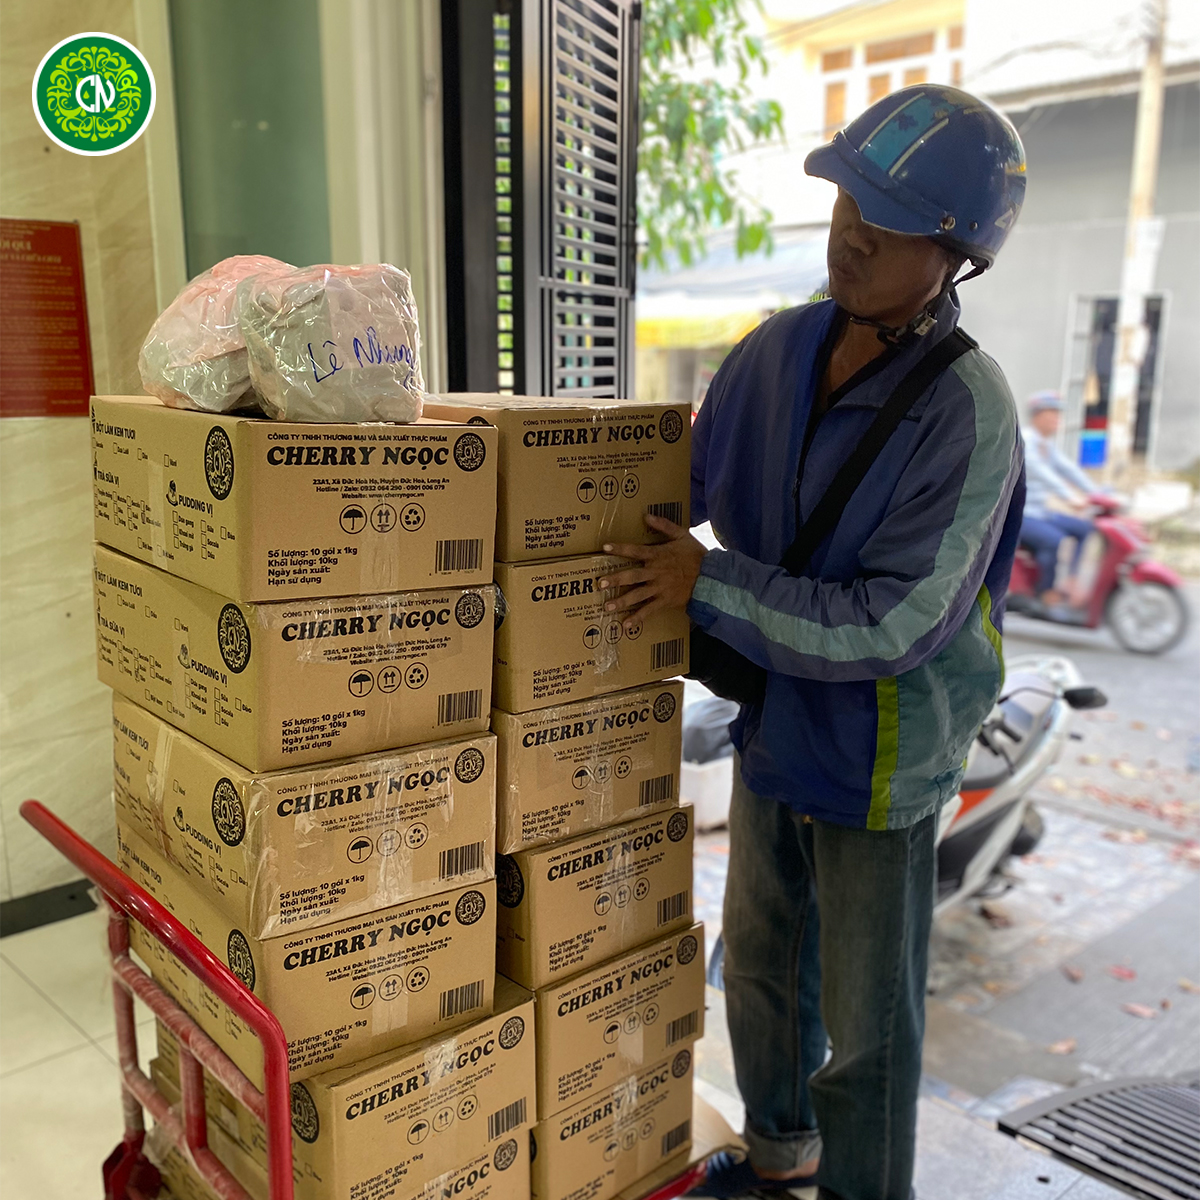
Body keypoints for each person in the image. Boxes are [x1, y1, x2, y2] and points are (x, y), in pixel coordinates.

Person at [598, 85, 1028, 1200]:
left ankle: (864, 1187)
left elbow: (896, 621)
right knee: (759, 961)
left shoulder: (967, 410)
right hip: (780, 715)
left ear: (954, 257)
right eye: (848, 203)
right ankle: (781, 1153)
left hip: (883, 750)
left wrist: (709, 582)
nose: (853, 235)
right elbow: (675, 487)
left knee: (867, 1019)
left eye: (889, 223)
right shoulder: (773, 353)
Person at [1019, 391, 1097, 606]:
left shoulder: (1046, 445)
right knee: (1054, 540)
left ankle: (1071, 580)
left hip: (1039, 512)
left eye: (1058, 413)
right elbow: (1044, 474)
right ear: (1037, 415)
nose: (1057, 418)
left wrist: (1098, 493)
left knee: (1084, 528)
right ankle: (1044, 592)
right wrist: (1070, 497)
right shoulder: (1026, 441)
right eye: (1051, 413)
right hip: (1021, 514)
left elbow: (1069, 469)